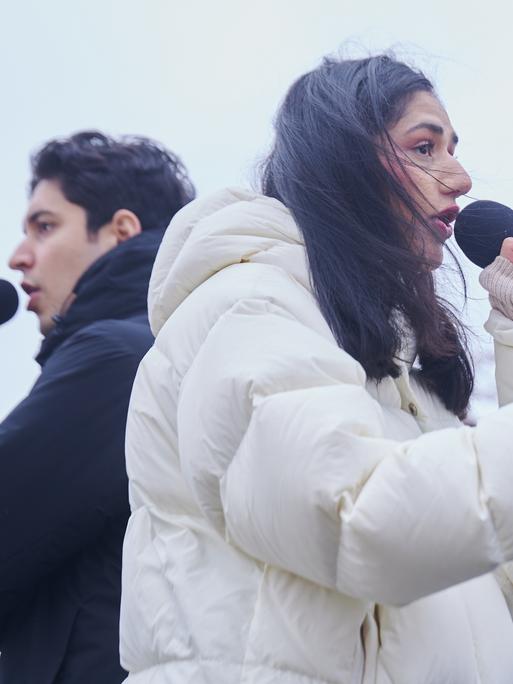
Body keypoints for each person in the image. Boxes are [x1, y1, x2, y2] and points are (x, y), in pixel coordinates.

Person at [120, 54, 513, 684]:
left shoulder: (400, 372)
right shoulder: (248, 305)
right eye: (424, 146)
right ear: (345, 161)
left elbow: (488, 553)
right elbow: (365, 521)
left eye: (453, 149)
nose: (461, 178)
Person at [0, 131, 195, 683]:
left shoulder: (117, 356)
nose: (18, 258)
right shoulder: (177, 346)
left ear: (120, 232)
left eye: (45, 226)